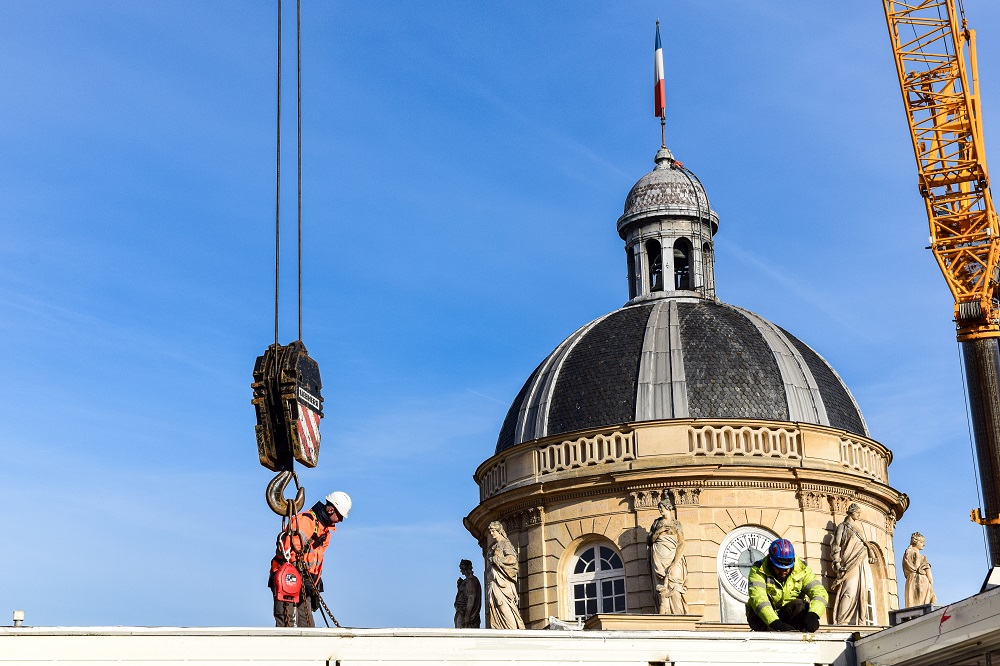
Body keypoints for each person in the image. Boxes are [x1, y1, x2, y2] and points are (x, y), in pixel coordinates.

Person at [269, 491, 352, 627]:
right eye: (340, 515)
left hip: (305, 583)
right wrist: (305, 579)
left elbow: (314, 561)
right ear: (331, 509)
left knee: (307, 626)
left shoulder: (325, 533)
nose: (341, 520)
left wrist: (315, 585)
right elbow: (288, 552)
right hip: (287, 578)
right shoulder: (306, 521)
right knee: (286, 621)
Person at [746, 538, 828, 632]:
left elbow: (819, 592)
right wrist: (775, 623)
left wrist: (814, 614)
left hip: (788, 616)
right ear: (771, 561)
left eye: (787, 568)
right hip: (762, 619)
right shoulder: (758, 569)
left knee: (800, 605)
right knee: (757, 608)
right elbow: (758, 598)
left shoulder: (803, 569)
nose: (783, 571)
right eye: (779, 568)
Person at [830, 503, 876, 625]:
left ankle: (860, 620)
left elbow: (864, 544)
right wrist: (837, 563)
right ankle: (842, 620)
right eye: (857, 513)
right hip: (849, 563)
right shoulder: (843, 527)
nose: (859, 515)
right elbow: (836, 545)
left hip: (861, 562)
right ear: (851, 512)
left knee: (862, 591)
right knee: (849, 591)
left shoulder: (858, 528)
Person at [647, 494, 688, 614]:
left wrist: (675, 563)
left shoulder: (676, 524)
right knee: (661, 588)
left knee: (675, 584)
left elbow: (681, 543)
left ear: (668, 508)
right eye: (659, 508)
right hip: (659, 557)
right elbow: (650, 541)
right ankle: (664, 613)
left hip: (673, 556)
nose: (660, 510)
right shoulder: (656, 523)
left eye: (662, 508)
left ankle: (678, 614)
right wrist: (659, 531)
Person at [485, 521, 525, 629]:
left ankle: (511, 629)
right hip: (493, 581)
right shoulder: (494, 546)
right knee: (494, 606)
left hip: (502, 581)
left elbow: (512, 559)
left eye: (493, 531)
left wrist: (496, 559)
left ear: (499, 531)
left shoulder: (505, 543)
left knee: (503, 604)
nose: (492, 534)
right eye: (490, 531)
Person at [903, 532, 937, 607]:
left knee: (911, 607)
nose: (923, 544)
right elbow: (930, 578)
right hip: (921, 581)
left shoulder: (906, 554)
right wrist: (930, 586)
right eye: (921, 542)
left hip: (910, 581)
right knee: (922, 607)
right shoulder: (922, 557)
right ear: (916, 542)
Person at [454, 559, 483, 628]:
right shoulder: (468, 581)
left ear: (465, 568)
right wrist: (460, 586)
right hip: (463, 613)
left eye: (461, 568)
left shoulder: (470, 581)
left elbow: (471, 598)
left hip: (466, 615)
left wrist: (467, 616)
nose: (460, 571)